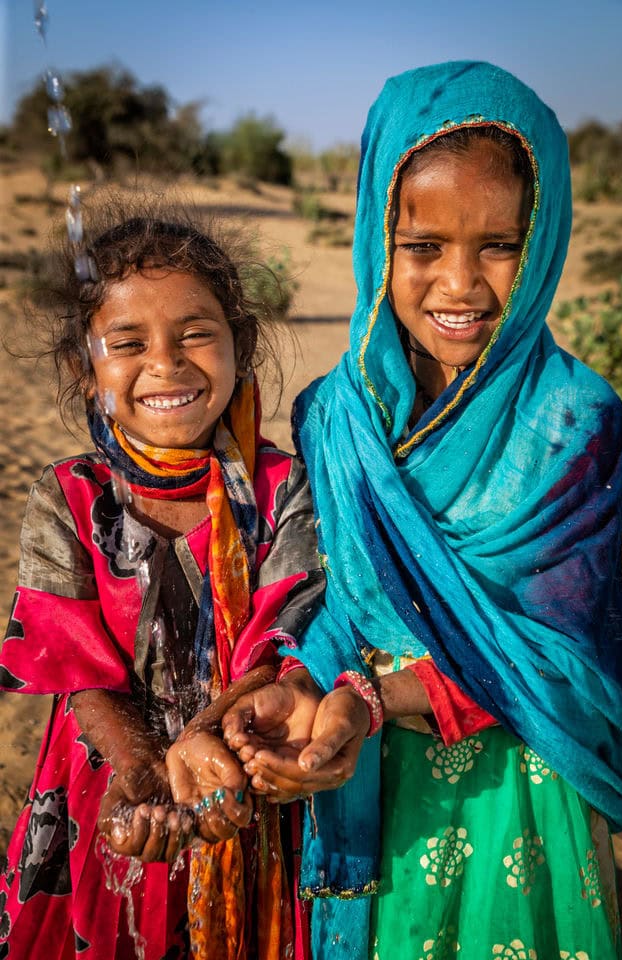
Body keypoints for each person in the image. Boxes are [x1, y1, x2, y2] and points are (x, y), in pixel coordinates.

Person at [213, 62, 622, 959]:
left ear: (545, 236)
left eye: (498, 244)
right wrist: (303, 688)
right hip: (368, 767)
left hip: (516, 782)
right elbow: (344, 597)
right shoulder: (337, 417)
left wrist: (368, 701)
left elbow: (556, 655)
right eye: (423, 247)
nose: (462, 284)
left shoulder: (572, 421)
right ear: (378, 236)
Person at [0, 202, 323, 960]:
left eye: (196, 335)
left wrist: (214, 743)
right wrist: (142, 770)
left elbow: (290, 637)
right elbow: (74, 668)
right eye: (127, 343)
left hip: (253, 769)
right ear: (87, 369)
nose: (167, 363)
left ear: (240, 346)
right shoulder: (68, 495)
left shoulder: (284, 488)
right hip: (109, 777)